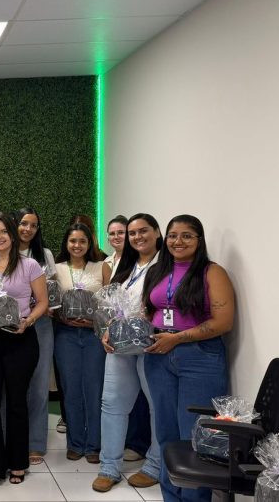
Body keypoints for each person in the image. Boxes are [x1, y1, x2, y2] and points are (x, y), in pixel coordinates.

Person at [142, 215, 234, 502]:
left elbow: (223, 322)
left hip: (199, 357)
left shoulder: (212, 272)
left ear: (199, 240)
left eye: (186, 236)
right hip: (158, 357)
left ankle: (194, 499)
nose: (178, 241)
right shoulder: (157, 270)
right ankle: (171, 497)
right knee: (166, 432)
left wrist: (177, 338)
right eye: (172, 235)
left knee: (196, 436)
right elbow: (148, 311)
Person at [0, 212, 48, 488]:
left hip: (20, 339)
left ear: (13, 235)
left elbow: (42, 302)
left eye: (3, 231)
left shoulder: (29, 266)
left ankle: (17, 462)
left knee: (16, 402)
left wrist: (28, 321)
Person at [93, 213, 163, 492]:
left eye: (143, 231)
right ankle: (109, 467)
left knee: (157, 406)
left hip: (152, 346)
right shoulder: (127, 266)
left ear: (157, 232)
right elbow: (115, 306)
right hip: (120, 346)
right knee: (112, 403)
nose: (137, 237)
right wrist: (108, 330)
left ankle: (155, 465)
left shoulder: (166, 265)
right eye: (132, 233)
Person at [54, 222, 110, 463]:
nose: (77, 245)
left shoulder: (101, 267)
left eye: (82, 241)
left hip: (94, 335)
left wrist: (94, 322)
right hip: (65, 335)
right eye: (73, 241)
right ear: (66, 243)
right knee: (71, 388)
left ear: (90, 244)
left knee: (94, 389)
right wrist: (61, 317)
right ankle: (75, 443)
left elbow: (110, 302)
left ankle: (94, 445)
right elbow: (50, 302)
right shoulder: (56, 269)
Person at [15, 206, 57, 466]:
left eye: (33, 225)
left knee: (39, 385)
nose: (28, 229)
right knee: (12, 384)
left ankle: (35, 442)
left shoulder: (45, 254)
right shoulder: (3, 252)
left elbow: (51, 289)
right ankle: (11, 437)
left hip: (40, 323)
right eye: (23, 223)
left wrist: (46, 304)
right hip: (10, 324)